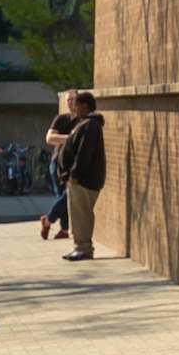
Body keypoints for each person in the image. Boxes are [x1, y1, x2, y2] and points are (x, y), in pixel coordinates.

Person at [49, 90, 105, 262]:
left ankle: (84, 248)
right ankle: (78, 246)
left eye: (78, 104)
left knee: (82, 214)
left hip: (83, 180)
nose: (74, 107)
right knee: (77, 214)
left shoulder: (90, 126)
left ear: (85, 106)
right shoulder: (84, 124)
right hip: (78, 179)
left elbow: (84, 153)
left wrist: (75, 173)